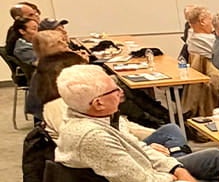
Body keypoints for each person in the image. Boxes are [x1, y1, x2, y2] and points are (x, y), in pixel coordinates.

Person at [54, 65, 219, 182]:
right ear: (98, 103)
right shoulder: (93, 137)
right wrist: (176, 178)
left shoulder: (101, 117)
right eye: (114, 90)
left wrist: (177, 169)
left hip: (142, 177)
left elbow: (139, 148)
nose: (121, 92)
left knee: (213, 158)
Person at [38, 53, 188, 154]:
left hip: (128, 144)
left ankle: (177, 156)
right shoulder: (58, 107)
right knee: (205, 158)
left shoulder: (80, 104)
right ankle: (179, 160)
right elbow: (105, 146)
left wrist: (151, 139)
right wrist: (145, 149)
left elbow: (123, 127)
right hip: (124, 151)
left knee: (170, 130)